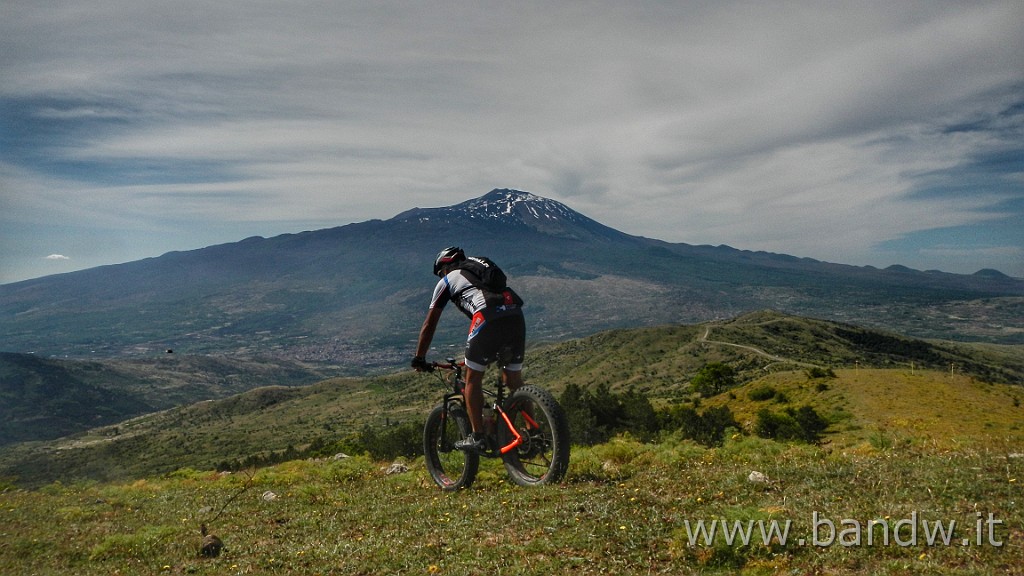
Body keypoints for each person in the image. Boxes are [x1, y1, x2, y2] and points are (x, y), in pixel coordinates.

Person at [411, 246, 526, 452]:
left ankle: (477, 436)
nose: (441, 276)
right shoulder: (480, 270)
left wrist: (419, 357)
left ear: (445, 266)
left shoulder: (447, 279)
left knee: (472, 378)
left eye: (440, 272)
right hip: (515, 315)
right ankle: (531, 432)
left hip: (488, 317)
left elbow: (429, 324)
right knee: (513, 380)